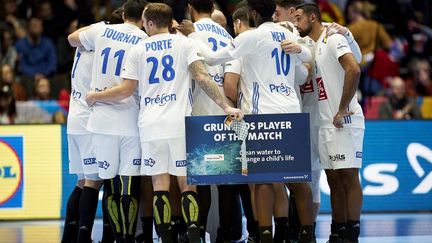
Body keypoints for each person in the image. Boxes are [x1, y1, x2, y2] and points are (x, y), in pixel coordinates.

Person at [85, 3, 243, 243]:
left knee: (160, 185)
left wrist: (95, 96)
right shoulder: (185, 43)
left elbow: (126, 90)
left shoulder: (138, 49)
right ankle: (193, 235)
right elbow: (202, 76)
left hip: (150, 125)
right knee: (187, 185)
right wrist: (225, 106)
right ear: (170, 23)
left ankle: (166, 237)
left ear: (148, 23)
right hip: (180, 123)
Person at [177, 1, 313, 242]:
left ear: (252, 14)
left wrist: (194, 35)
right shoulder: (287, 33)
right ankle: (306, 234)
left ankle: (265, 235)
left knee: (261, 181)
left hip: (262, 115)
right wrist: (302, 52)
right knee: (295, 180)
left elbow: (210, 58)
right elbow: (303, 73)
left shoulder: (251, 37)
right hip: (291, 112)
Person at [67, 1, 148, 242]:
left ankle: (92, 237)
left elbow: (72, 38)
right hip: (124, 117)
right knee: (121, 183)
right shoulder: (143, 40)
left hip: (94, 119)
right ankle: (120, 236)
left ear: (123, 14)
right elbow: (127, 87)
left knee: (98, 182)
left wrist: (97, 25)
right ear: (144, 17)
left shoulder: (99, 34)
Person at [293, 3, 364, 243]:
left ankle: (352, 234)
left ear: (313, 17)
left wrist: (343, 107)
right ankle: (339, 231)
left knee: (348, 176)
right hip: (326, 122)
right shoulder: (317, 44)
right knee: (333, 179)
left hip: (344, 119)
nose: (296, 22)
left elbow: (354, 69)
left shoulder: (333, 38)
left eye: (299, 18)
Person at [186, 0, 236, 241]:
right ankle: (226, 234)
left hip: (200, 109)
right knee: (227, 180)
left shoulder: (190, 33)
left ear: (190, 8)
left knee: (202, 179)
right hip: (227, 110)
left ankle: (200, 232)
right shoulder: (226, 33)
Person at [15, 16, 57, 95]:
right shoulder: (20, 44)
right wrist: (34, 75)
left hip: (46, 75)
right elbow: (21, 65)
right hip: (28, 77)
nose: (37, 29)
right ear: (28, 28)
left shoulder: (48, 43)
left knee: (56, 80)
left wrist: (44, 74)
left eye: (39, 26)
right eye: (34, 26)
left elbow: (52, 62)